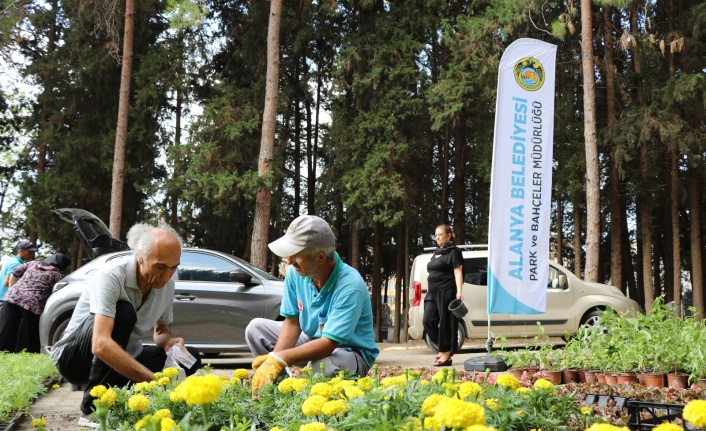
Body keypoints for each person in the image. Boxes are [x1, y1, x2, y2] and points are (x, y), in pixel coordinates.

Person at [50, 223, 201, 423]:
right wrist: (150, 379)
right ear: (140, 257)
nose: (167, 276)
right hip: (75, 359)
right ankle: (93, 407)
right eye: (160, 267)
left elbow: (161, 331)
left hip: (122, 356)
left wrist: (168, 343)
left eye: (174, 267)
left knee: (190, 357)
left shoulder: (167, 285)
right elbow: (100, 344)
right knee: (125, 312)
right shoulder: (112, 276)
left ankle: (125, 396)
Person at [245, 215, 378, 396]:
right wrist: (273, 361)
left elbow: (328, 344)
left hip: (350, 353)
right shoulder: (296, 273)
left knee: (320, 365)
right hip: (314, 340)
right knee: (256, 329)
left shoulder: (350, 285)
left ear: (320, 257)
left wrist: (280, 357)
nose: (289, 261)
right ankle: (275, 387)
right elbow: (292, 322)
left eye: (295, 255)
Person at [0, 253, 70, 353]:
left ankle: (3, 351)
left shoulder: (32, 263)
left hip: (12, 298)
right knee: (29, 333)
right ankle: (26, 352)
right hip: (32, 304)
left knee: (6, 328)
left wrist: (12, 289)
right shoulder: (57, 274)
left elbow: (14, 273)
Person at [423, 224, 463, 366]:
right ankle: (444, 347)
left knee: (446, 322)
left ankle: (445, 354)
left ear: (449, 235)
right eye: (436, 235)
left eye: (440, 234)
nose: (437, 237)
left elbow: (458, 272)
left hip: (447, 290)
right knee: (428, 321)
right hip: (432, 292)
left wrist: (459, 292)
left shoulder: (454, 252)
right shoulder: (437, 252)